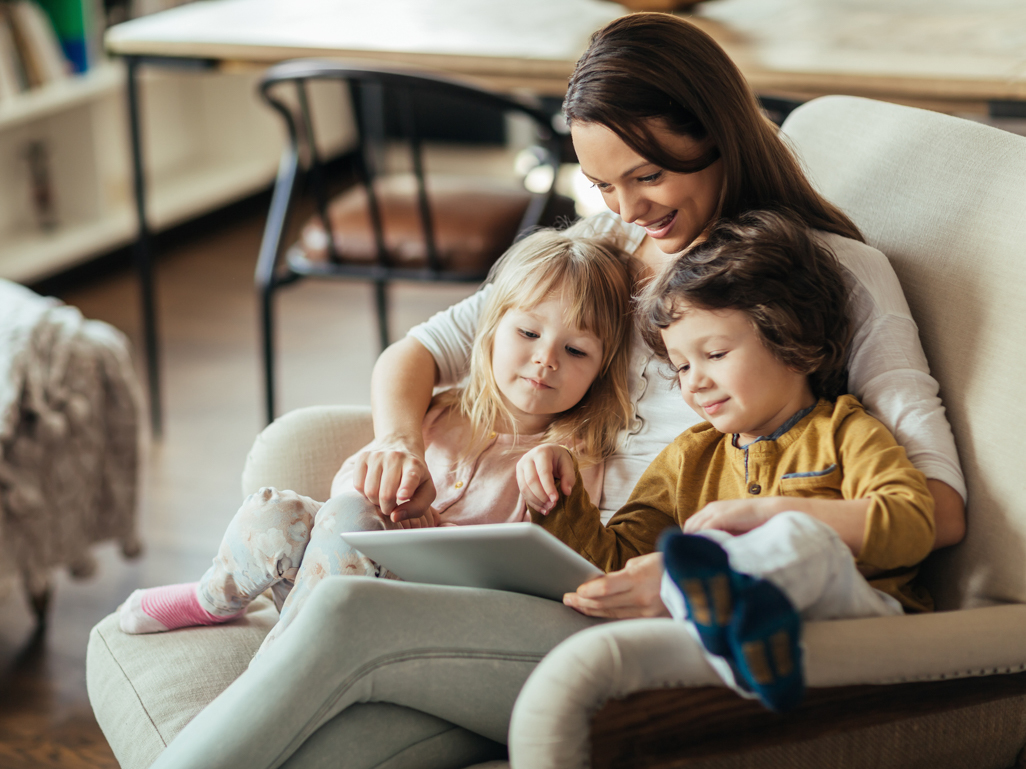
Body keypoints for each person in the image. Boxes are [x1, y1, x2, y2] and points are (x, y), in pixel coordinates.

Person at [144, 13, 967, 769]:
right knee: (344, 733)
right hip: (551, 567)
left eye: (646, 176)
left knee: (347, 613)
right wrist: (397, 439)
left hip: (656, 604)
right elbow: (422, 351)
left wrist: (701, 563)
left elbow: (940, 505)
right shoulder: (605, 248)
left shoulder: (838, 275)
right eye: (603, 185)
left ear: (715, 131)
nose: (629, 209)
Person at [118, 224, 633, 652]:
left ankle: (279, 667)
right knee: (282, 511)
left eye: (576, 351)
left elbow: (530, 565)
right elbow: (352, 486)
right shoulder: (439, 410)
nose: (547, 359)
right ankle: (212, 599)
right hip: (333, 576)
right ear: (491, 330)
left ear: (601, 371)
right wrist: (383, 493)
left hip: (420, 610)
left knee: (351, 519)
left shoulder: (566, 457)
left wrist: (427, 533)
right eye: (528, 333)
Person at [522, 210, 935, 712]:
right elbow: (618, 562)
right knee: (680, 562)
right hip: (734, 653)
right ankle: (741, 637)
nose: (693, 381)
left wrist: (772, 514)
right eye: (680, 366)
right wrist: (559, 496)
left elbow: (914, 522)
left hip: (859, 626)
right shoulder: (688, 457)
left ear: (790, 339)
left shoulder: (845, 430)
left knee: (797, 537)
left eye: (715, 354)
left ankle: (740, 611)